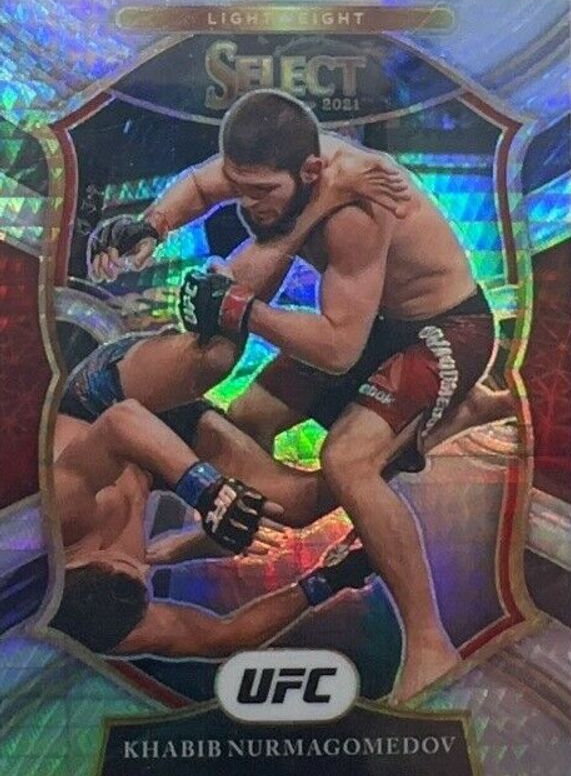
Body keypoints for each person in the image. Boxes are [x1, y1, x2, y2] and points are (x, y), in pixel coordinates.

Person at [82, 88, 509, 702]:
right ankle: (432, 425)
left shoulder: (359, 206)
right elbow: (201, 185)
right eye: (241, 188)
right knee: (246, 420)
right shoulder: (271, 167)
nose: (249, 206)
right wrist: (153, 224)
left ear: (310, 172)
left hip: (443, 331)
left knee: (346, 461)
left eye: (262, 193)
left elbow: (337, 349)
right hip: (374, 323)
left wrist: (242, 310)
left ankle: (428, 640)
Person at [50, 401, 372, 656]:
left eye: (128, 564)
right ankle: (380, 437)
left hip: (111, 408)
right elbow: (224, 637)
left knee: (296, 501)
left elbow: (120, 420)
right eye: (142, 577)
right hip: (151, 465)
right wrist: (331, 579)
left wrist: (209, 492)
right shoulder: (111, 625)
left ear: (76, 563)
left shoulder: (57, 516)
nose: (143, 568)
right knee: (286, 507)